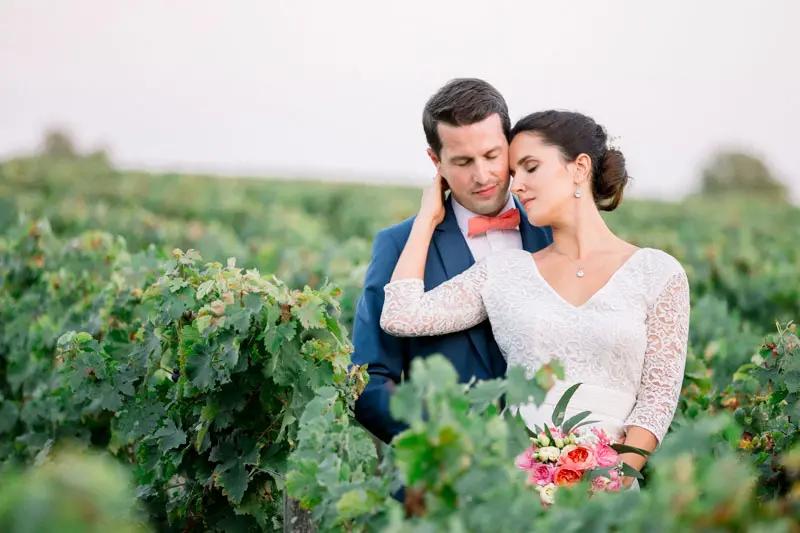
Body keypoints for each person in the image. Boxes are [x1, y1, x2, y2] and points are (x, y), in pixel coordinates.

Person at [378, 109, 691, 487]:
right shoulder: (505, 271)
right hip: (515, 486)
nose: (518, 186)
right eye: (514, 174)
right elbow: (401, 314)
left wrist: (615, 480)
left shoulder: (659, 273)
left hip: (611, 493)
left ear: (579, 168)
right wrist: (427, 217)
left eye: (530, 167)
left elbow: (657, 400)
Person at [351, 78, 553, 445]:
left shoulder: (555, 230)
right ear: (436, 160)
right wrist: (441, 448)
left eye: (492, 156)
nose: (482, 175)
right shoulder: (399, 245)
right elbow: (368, 380)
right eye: (462, 162)